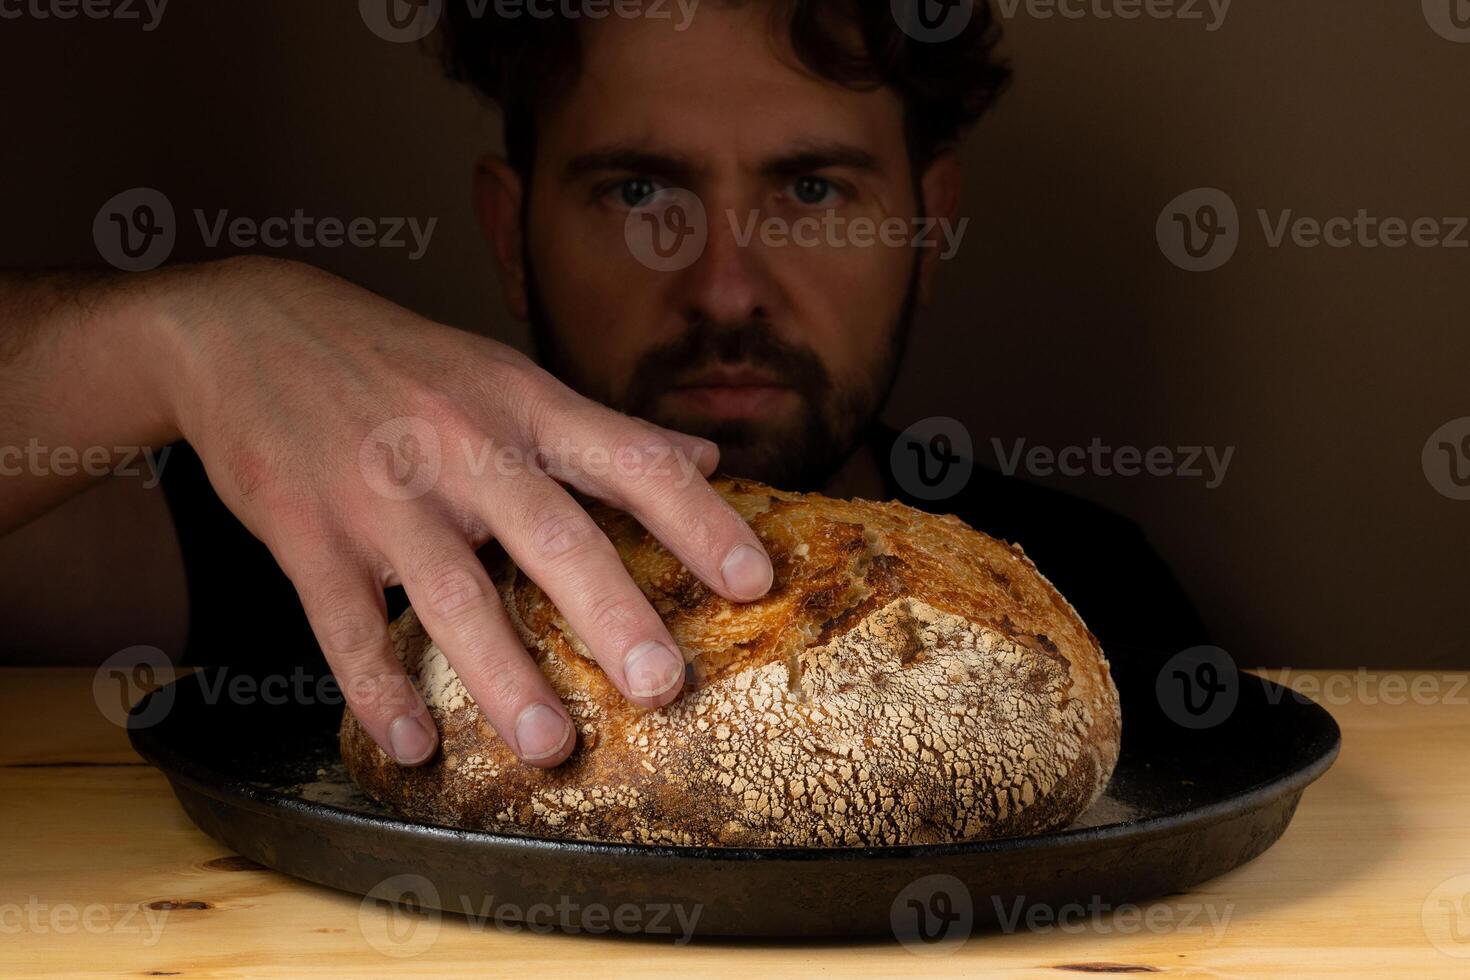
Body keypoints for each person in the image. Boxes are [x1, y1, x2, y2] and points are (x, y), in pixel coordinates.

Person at [0, 1, 1204, 772]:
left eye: (812, 190)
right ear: (512, 231)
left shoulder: (1079, 611)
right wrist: (179, 335)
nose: (725, 286)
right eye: (640, 194)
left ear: (930, 227)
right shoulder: (302, 523)